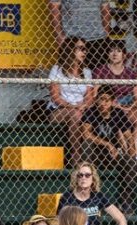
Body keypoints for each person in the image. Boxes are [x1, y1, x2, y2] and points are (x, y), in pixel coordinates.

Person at [81, 86, 137, 214]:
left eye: (107, 100)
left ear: (112, 101)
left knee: (132, 164)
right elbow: (86, 134)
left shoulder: (118, 113)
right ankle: (89, 199)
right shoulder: (91, 112)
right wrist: (107, 144)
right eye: (101, 99)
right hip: (95, 154)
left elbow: (128, 137)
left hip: (113, 155)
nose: (103, 103)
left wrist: (132, 154)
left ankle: (124, 201)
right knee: (86, 144)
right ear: (96, 100)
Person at [92, 39, 137, 162]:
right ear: (107, 54)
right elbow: (95, 95)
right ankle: (127, 156)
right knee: (119, 118)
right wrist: (112, 104)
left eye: (118, 51)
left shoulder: (131, 74)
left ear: (124, 54)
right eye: (111, 51)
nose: (115, 54)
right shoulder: (100, 71)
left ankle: (133, 156)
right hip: (109, 106)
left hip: (127, 105)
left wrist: (131, 106)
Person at [48, 36, 96, 167]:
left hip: (81, 109)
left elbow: (90, 96)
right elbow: (55, 96)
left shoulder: (86, 72)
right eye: (81, 49)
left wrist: (84, 105)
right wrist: (72, 106)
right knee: (75, 115)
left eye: (85, 49)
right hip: (59, 110)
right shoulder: (57, 69)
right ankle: (76, 153)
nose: (84, 52)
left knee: (80, 115)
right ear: (70, 50)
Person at [48, 0, 111, 70]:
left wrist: (105, 32)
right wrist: (59, 36)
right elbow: (54, 7)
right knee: (71, 74)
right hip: (72, 38)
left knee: (99, 74)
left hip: (98, 38)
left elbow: (105, 7)